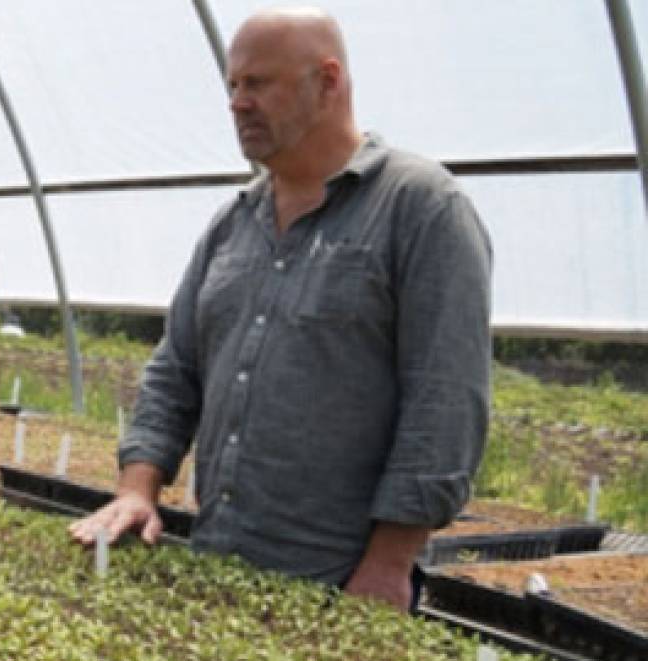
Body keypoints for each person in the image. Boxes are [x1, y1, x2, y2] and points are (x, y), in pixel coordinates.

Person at [69, 7, 491, 611]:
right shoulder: (233, 223)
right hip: (215, 562)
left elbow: (445, 401)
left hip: (340, 579)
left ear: (328, 80)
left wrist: (390, 562)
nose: (239, 102)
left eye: (258, 83)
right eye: (233, 86)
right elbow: (176, 367)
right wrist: (138, 487)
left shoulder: (421, 208)